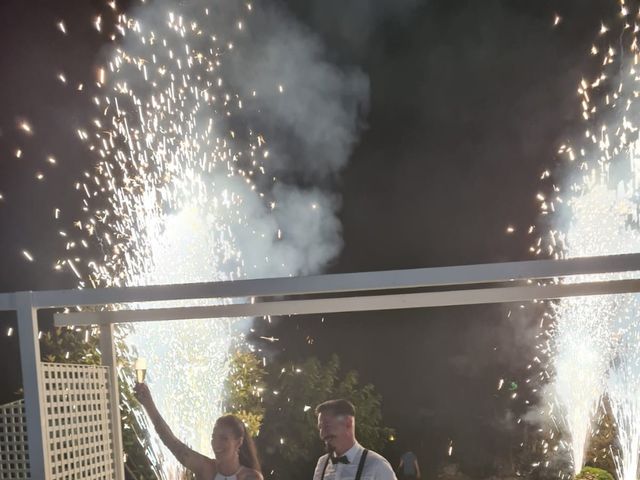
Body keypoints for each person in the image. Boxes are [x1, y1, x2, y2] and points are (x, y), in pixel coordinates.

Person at [134, 383, 263, 480]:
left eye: (224, 438)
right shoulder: (206, 468)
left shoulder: (250, 477)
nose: (216, 444)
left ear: (238, 442)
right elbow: (172, 443)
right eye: (214, 437)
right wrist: (148, 404)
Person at [313, 399, 397, 480]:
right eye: (320, 427)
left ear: (348, 423)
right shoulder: (322, 464)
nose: (322, 434)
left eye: (327, 426)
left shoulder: (377, 464)